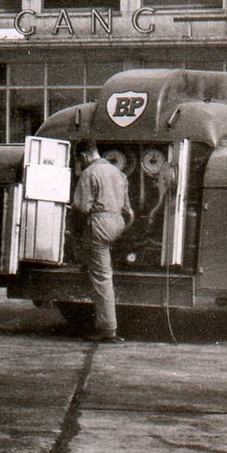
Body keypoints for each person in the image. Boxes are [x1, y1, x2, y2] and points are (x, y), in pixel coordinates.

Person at [70, 143, 134, 342]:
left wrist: (74, 232)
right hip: (118, 223)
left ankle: (108, 330)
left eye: (79, 160)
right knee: (104, 269)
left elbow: (80, 208)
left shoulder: (90, 174)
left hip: (99, 225)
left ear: (83, 155)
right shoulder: (118, 172)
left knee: (101, 277)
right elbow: (127, 208)